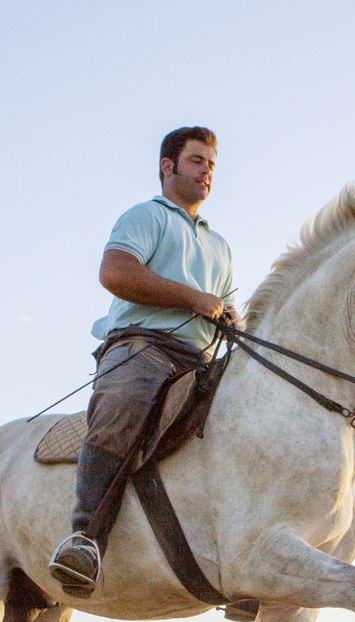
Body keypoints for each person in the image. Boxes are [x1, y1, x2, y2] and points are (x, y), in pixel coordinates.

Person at [48, 126, 236, 597]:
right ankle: (85, 538)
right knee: (126, 401)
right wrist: (194, 298)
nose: (206, 171)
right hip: (142, 347)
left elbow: (223, 305)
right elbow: (115, 273)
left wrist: (232, 318)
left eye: (211, 164)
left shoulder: (220, 246)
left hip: (202, 356)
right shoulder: (146, 217)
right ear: (167, 167)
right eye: (197, 161)